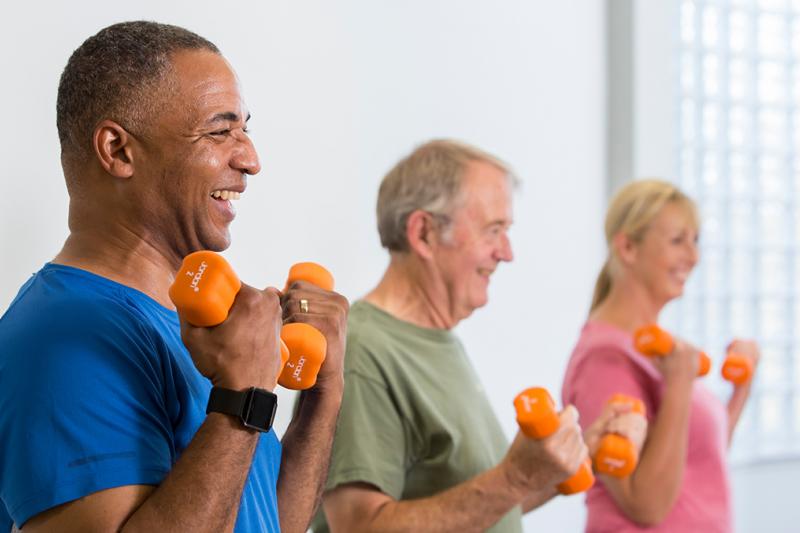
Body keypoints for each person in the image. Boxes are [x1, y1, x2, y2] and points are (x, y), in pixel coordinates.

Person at [0, 21, 348, 532]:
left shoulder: (196, 332)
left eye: (246, 128)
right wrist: (243, 397)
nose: (250, 158)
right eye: (219, 129)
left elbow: (268, 522)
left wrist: (323, 393)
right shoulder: (58, 340)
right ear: (118, 150)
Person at [312, 140, 645, 532]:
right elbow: (360, 527)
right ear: (424, 233)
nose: (507, 253)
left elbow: (483, 505)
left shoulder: (434, 338)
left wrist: (566, 458)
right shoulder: (364, 349)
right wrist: (514, 477)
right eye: (494, 230)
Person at [561, 179, 760, 532]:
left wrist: (742, 390)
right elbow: (646, 503)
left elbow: (696, 461)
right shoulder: (604, 359)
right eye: (677, 241)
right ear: (628, 248)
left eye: (695, 240)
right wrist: (681, 383)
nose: (694, 257)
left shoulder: (660, 351)